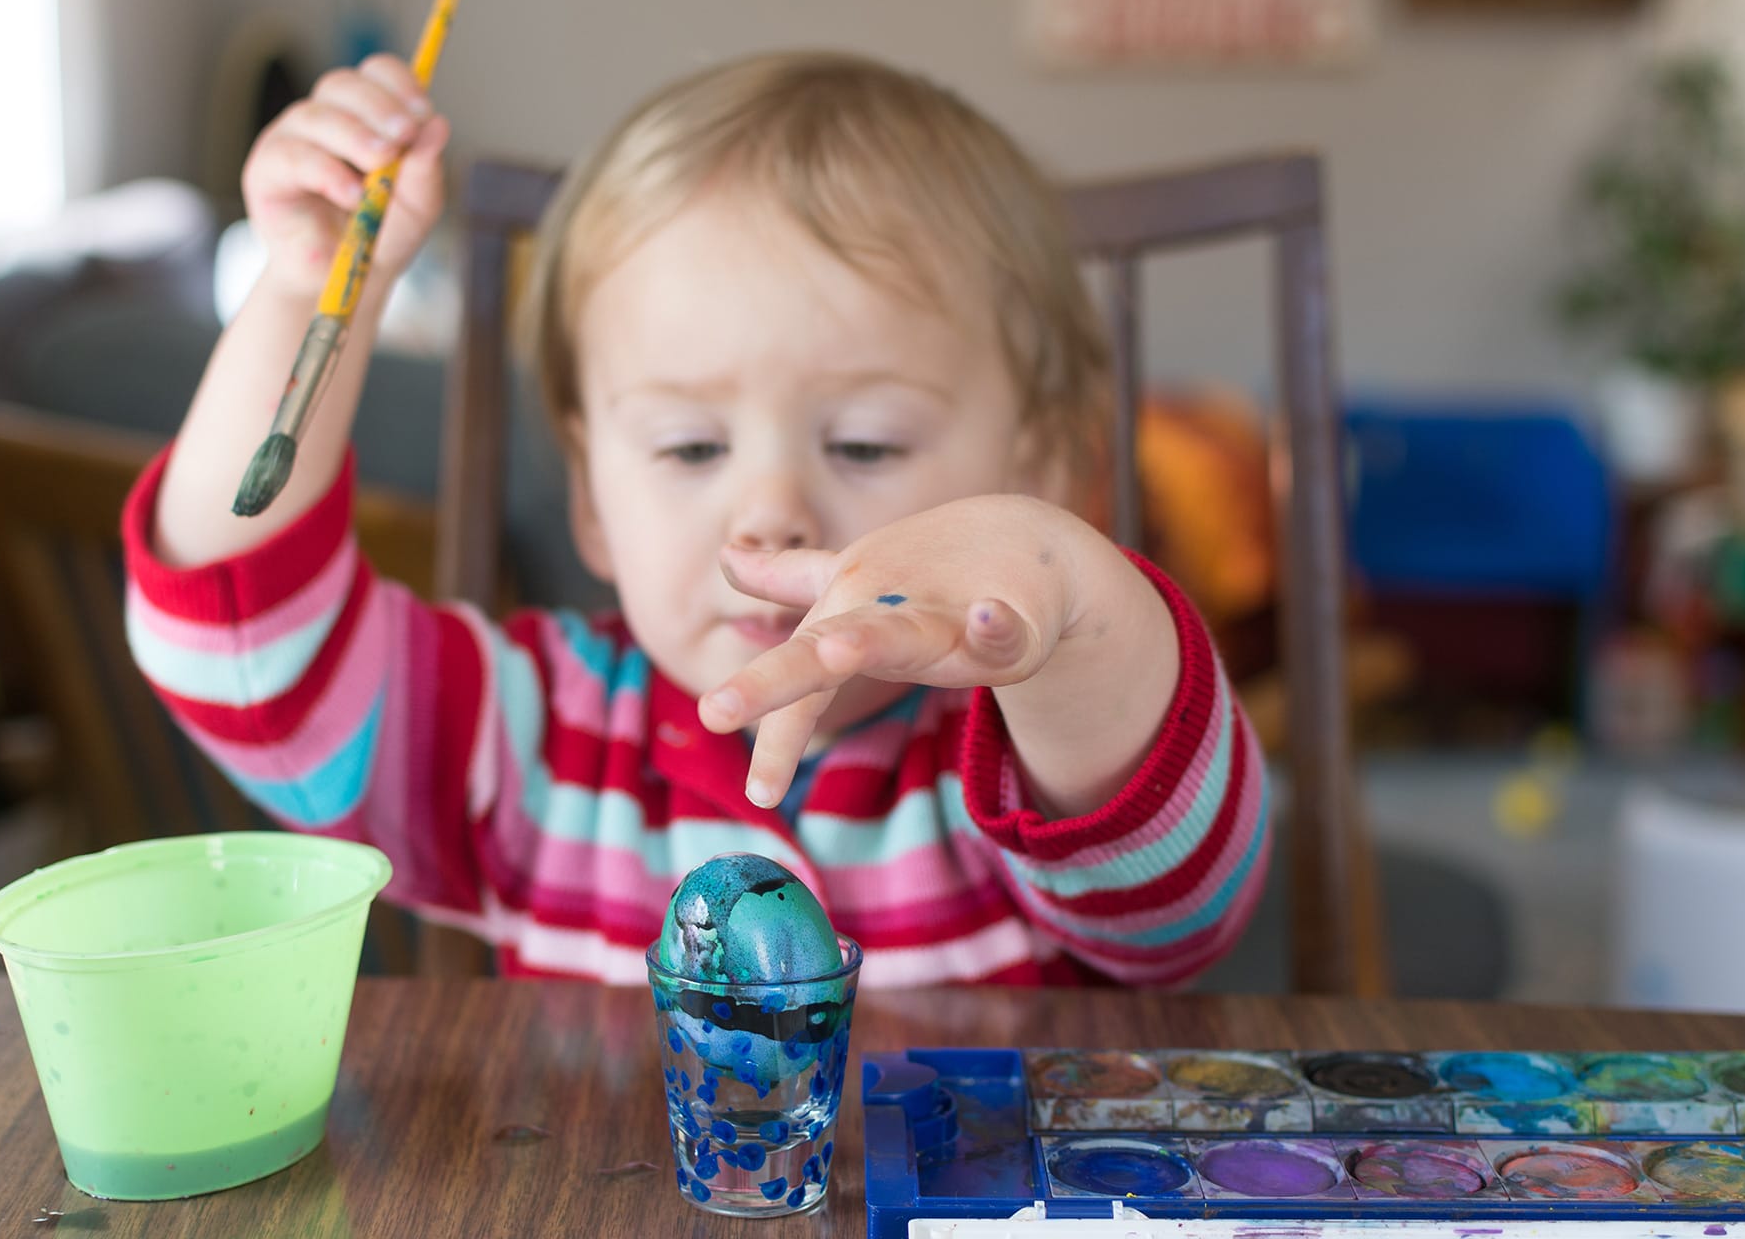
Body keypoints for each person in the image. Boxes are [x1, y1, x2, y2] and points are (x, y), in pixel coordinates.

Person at [124, 49, 1268, 985]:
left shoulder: (1033, 756)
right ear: (590, 498)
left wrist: (1059, 582)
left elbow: (1181, 909)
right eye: (689, 447)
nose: (767, 514)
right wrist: (309, 291)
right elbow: (250, 667)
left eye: (865, 441)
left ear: (1045, 468)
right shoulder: (533, 738)